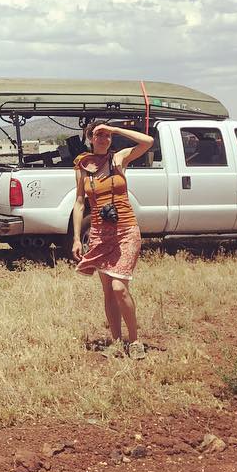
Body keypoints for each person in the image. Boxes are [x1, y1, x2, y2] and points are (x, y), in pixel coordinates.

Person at [71, 121, 154, 360]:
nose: (103, 138)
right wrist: (77, 238)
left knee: (119, 287)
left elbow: (147, 142)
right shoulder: (83, 166)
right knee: (108, 290)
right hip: (99, 232)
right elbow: (79, 202)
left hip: (126, 229)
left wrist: (115, 129)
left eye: (107, 135)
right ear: (89, 138)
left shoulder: (119, 159)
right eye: (99, 134)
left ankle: (135, 340)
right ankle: (117, 342)